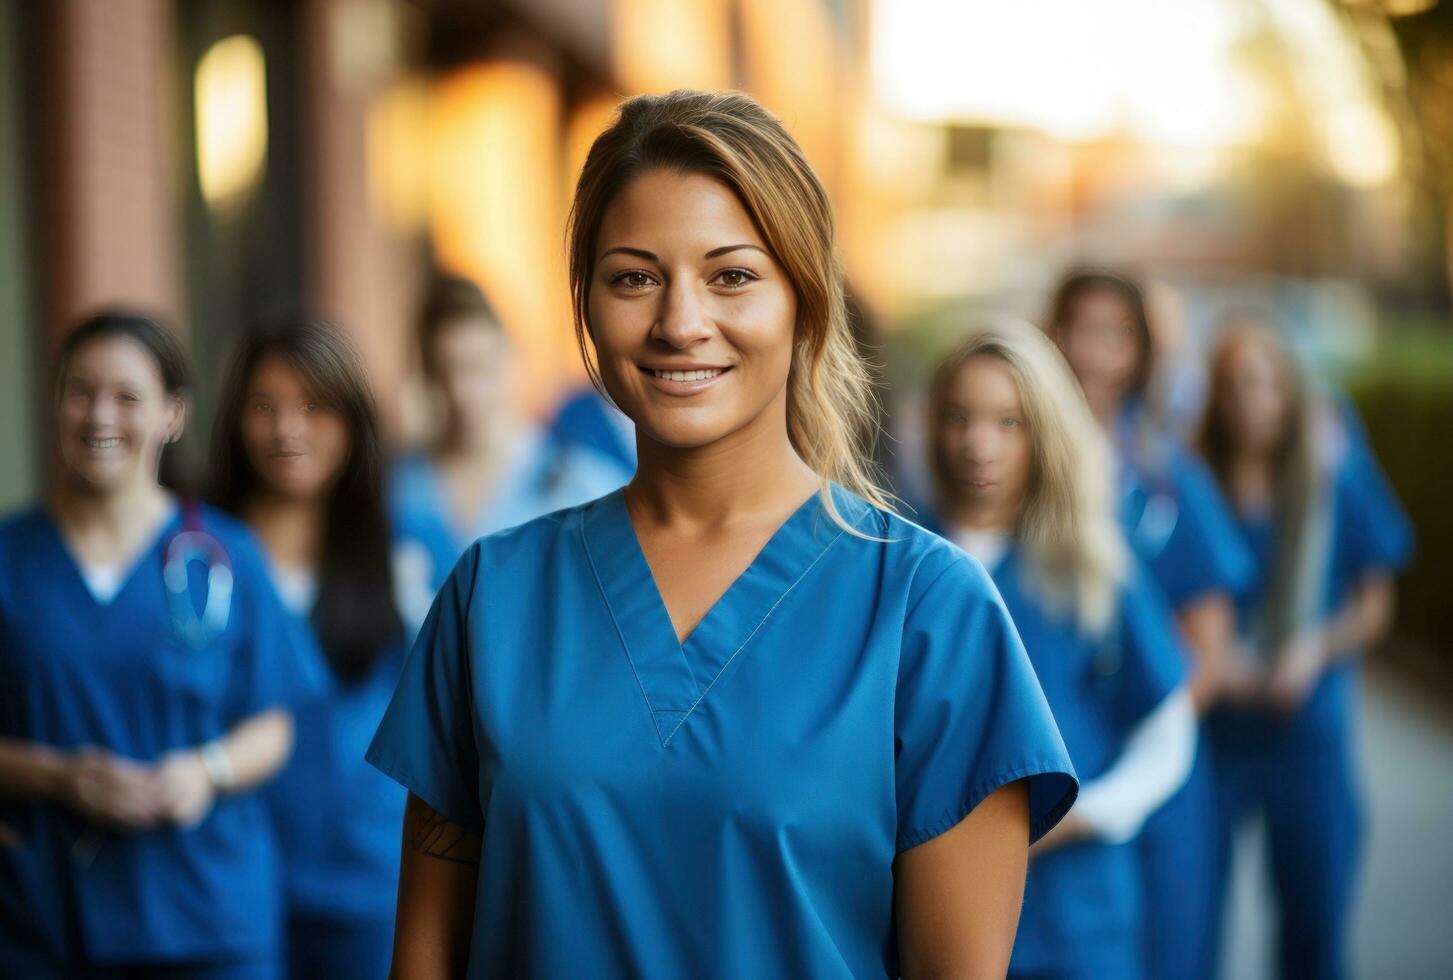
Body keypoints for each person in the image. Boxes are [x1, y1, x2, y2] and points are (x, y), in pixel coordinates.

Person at [366, 90, 1078, 978]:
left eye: (731, 275)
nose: (679, 322)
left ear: (803, 299)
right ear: (584, 303)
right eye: (634, 277)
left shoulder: (927, 614)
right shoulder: (491, 597)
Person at [0, 311, 323, 978]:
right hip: (45, 924)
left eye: (127, 397)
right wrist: (62, 777)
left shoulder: (227, 555)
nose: (99, 416)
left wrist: (204, 773)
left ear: (172, 415)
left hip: (208, 919)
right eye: (80, 392)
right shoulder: (11, 558)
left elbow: (272, 725)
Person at [927, 319, 1195, 979]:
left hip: (1076, 915)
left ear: (1043, 433)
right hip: (936, 909)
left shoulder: (1088, 566)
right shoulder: (900, 559)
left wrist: (1085, 819)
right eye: (959, 417)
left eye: (1007, 422)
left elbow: (1167, 733)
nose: (978, 445)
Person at [1046, 269, 1252, 979]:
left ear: (1139, 354)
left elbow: (1209, 650)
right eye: (1077, 329)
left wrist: (1135, 755)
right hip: (1044, 778)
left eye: (1114, 334)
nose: (1091, 352)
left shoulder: (1170, 482)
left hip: (1152, 784)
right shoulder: (1006, 470)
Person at [1197, 323, 1411, 980]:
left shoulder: (1332, 474)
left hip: (1305, 728)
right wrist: (1214, 660)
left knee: (1312, 927)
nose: (1245, 399)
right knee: (1191, 925)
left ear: (1288, 390)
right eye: (1230, 383)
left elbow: (1375, 605)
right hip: (1215, 735)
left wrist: (1313, 649)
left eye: (1259, 382)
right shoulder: (1191, 479)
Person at [210, 318, 409, 980]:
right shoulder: (199, 548)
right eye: (264, 407)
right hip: (229, 886)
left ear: (352, 420)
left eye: (313, 407)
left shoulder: (404, 544)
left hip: (367, 889)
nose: (287, 430)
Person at [389, 276, 631, 632]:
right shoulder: (400, 492)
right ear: (425, 374)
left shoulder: (585, 486)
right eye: (445, 371)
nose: (462, 391)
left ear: (511, 357)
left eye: (478, 368)